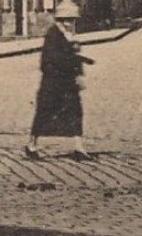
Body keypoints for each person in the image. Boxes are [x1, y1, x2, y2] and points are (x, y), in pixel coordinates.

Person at [23, 12, 95, 161]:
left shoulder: (68, 35)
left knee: (75, 112)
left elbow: (71, 55)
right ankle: (32, 145)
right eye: (69, 20)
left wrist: (81, 63)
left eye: (72, 20)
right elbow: (52, 60)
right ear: (62, 21)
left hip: (67, 83)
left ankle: (79, 148)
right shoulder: (53, 35)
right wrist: (74, 61)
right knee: (44, 113)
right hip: (53, 83)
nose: (71, 23)